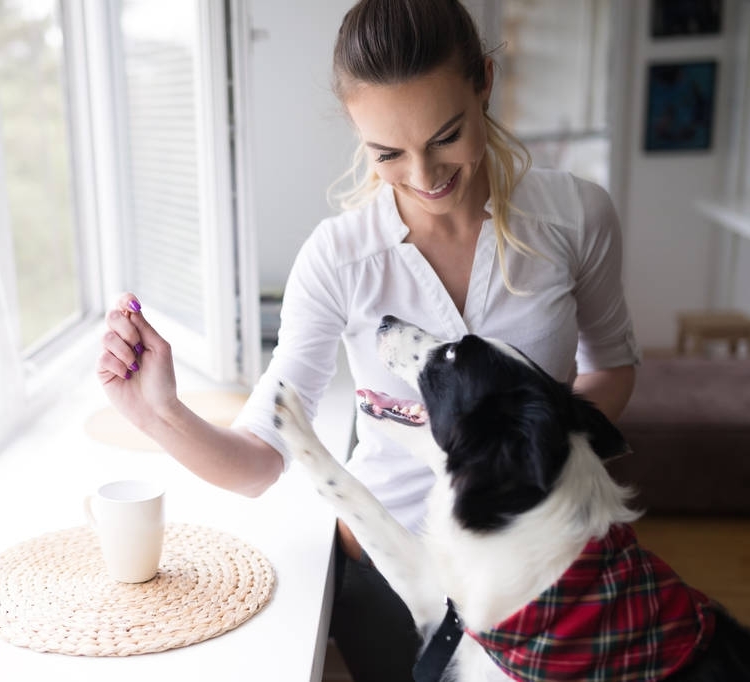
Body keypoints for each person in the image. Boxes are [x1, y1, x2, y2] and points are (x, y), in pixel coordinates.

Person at [96, 0, 640, 679]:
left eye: (446, 135)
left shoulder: (576, 217)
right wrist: (159, 413)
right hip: (390, 581)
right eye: (387, 152)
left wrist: (528, 462)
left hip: (546, 570)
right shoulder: (338, 260)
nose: (423, 174)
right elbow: (258, 461)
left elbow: (610, 367)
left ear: (484, 84)